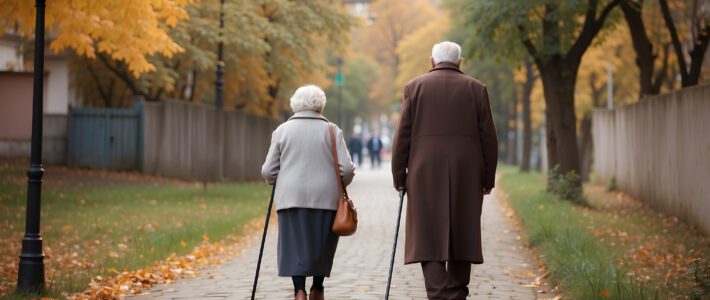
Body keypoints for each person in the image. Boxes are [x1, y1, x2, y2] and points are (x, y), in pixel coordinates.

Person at [391, 41, 498, 299]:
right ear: (459, 62)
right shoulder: (476, 89)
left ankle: (440, 293)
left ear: (432, 61)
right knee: (464, 230)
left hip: (423, 172)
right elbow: (489, 138)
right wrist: (488, 178)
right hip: (467, 172)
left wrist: (399, 176)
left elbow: (402, 137)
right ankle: (457, 292)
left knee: (427, 234)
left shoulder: (414, 88)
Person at [261, 85, 356, 300]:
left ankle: (299, 291)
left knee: (294, 244)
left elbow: (268, 170)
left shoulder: (282, 130)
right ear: (320, 106)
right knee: (321, 244)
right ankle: (318, 289)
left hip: (290, 198)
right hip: (326, 198)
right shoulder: (332, 130)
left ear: (295, 104)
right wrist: (342, 184)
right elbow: (347, 168)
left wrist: (273, 179)